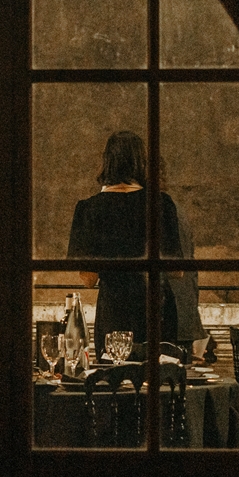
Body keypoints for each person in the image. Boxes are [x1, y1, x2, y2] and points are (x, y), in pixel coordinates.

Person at [67, 130, 183, 352]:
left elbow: (89, 279)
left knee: (114, 374)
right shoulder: (161, 204)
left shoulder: (89, 209)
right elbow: (176, 270)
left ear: (107, 162)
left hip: (114, 308)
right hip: (155, 306)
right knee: (157, 373)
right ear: (142, 163)